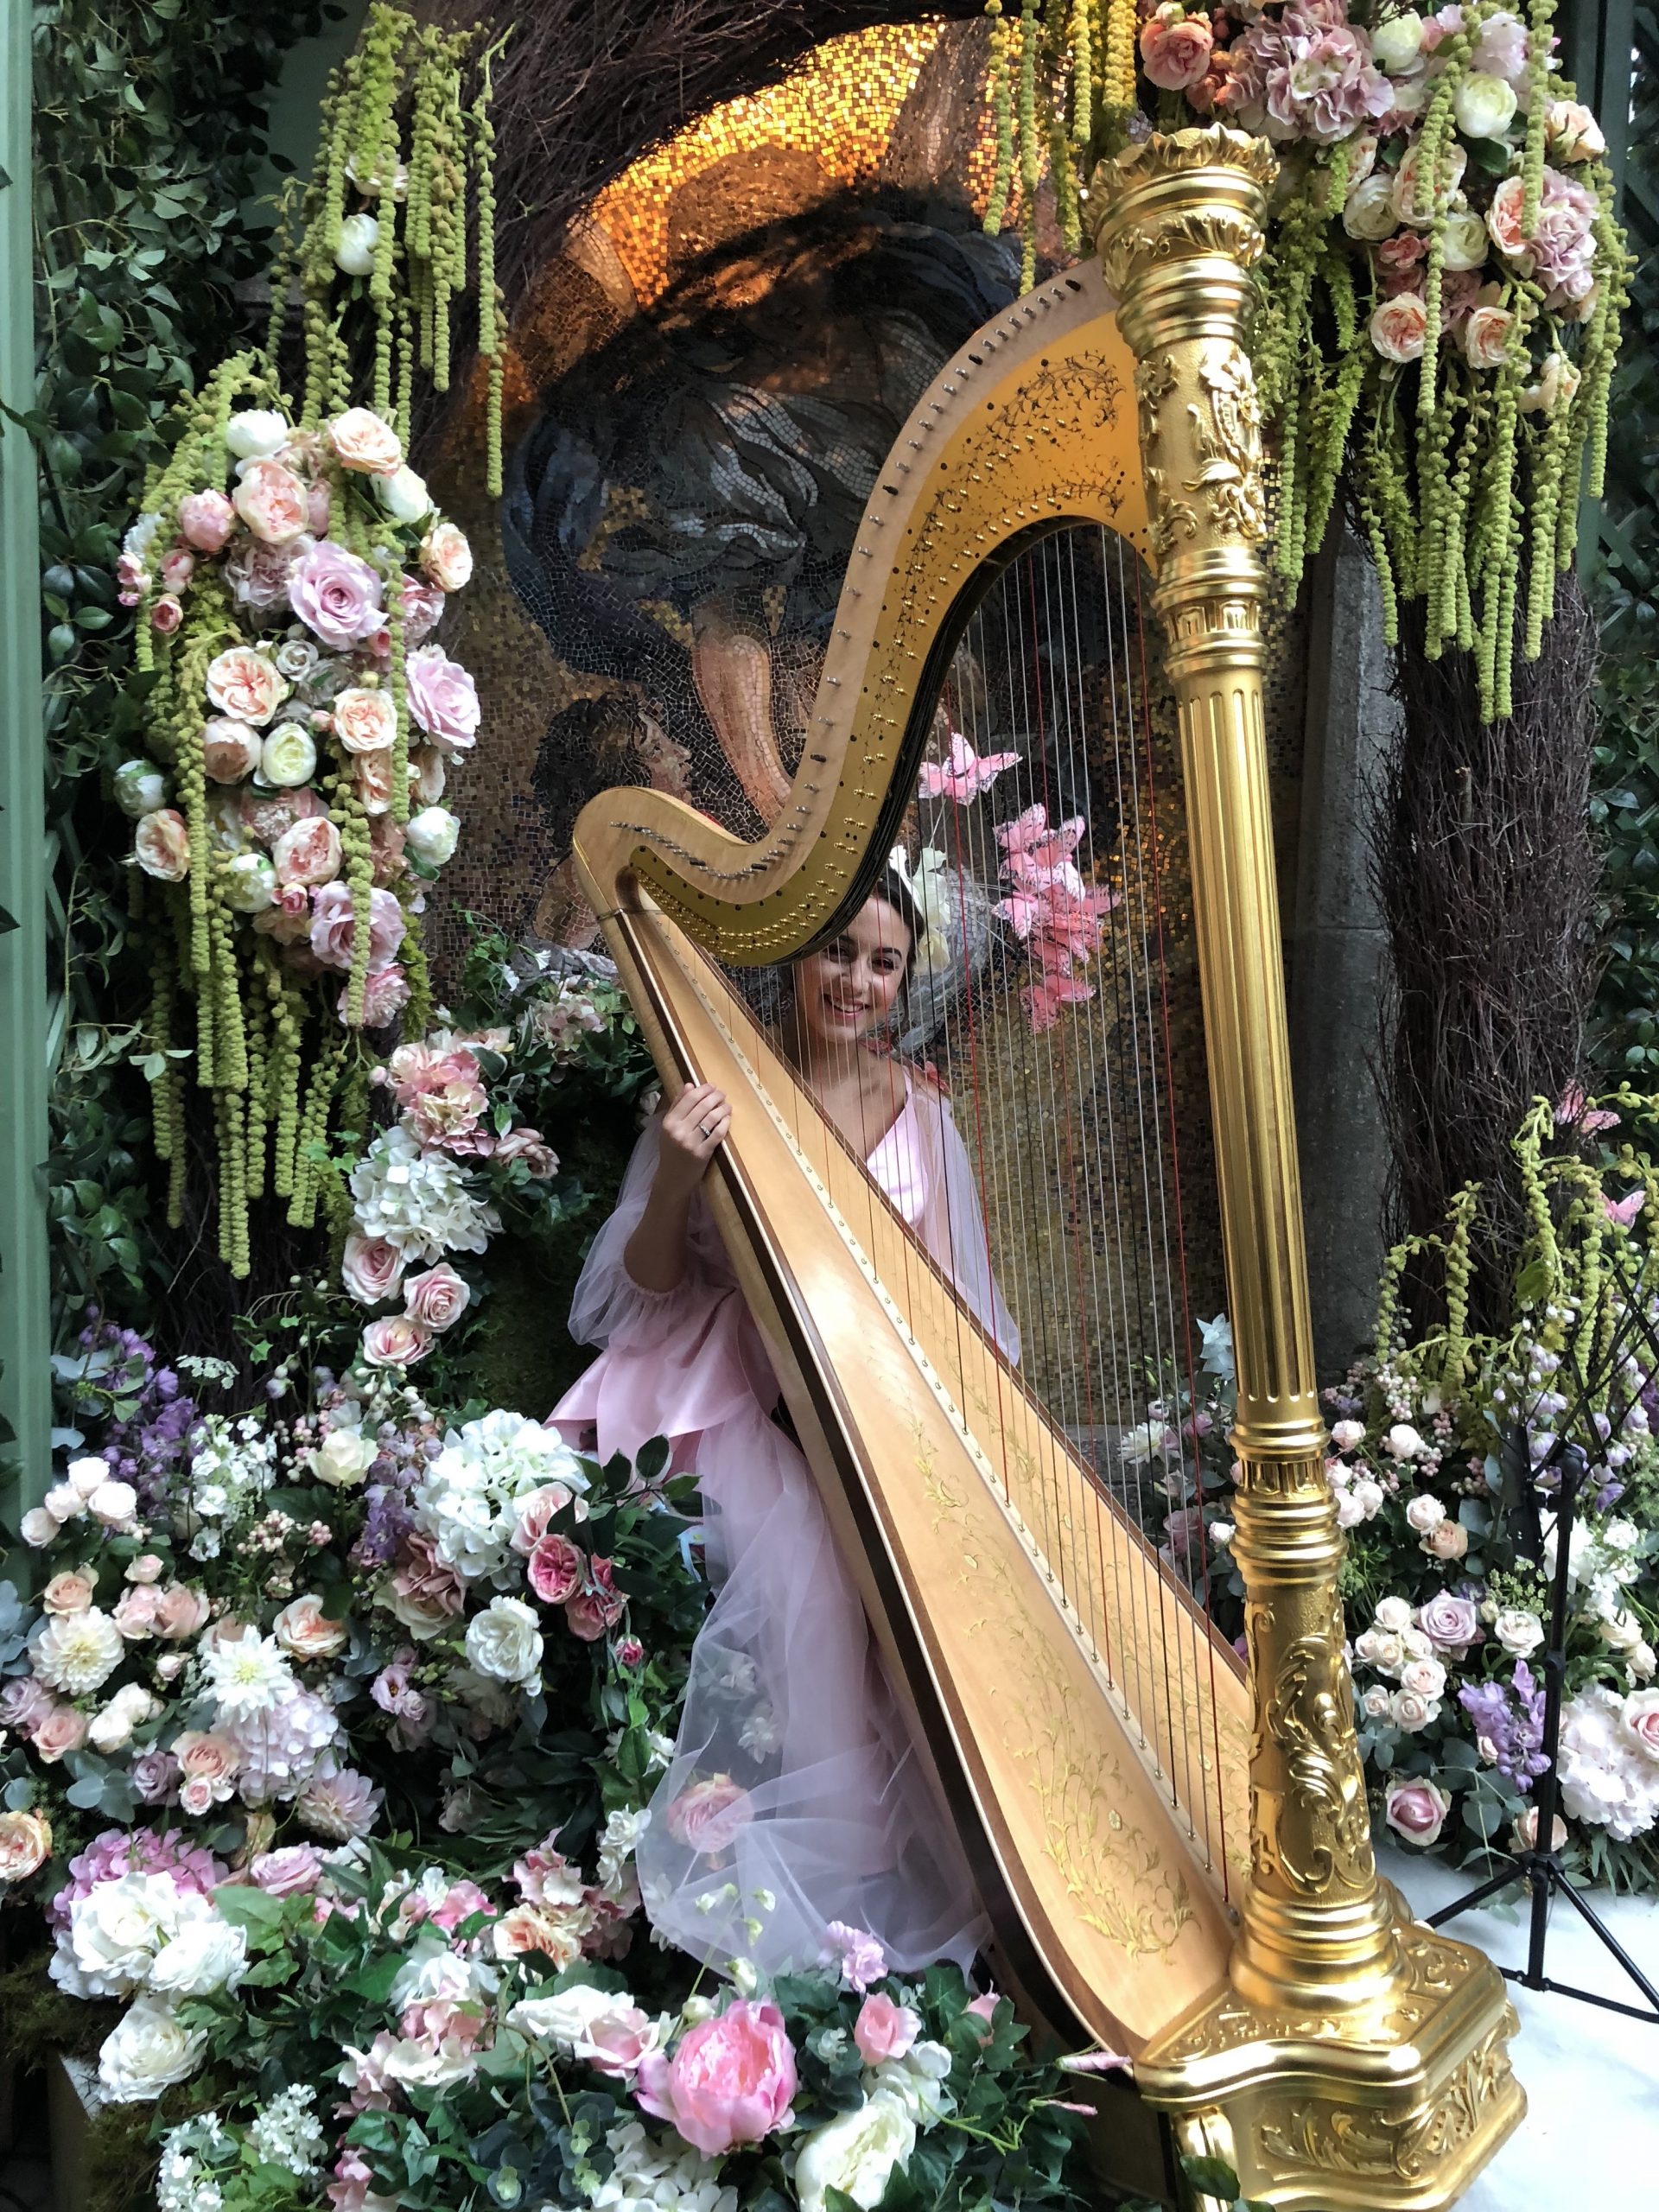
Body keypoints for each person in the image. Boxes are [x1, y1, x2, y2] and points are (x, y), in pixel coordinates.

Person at [550, 876, 1016, 1980]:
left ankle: (950, 1851)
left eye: (884, 961)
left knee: (935, 1563)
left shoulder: (925, 1115)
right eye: (839, 952)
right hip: (738, 1388)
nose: (856, 980)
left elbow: (955, 1313)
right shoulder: (721, 1089)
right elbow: (648, 1284)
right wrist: (676, 1166)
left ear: (908, 979)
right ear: (798, 960)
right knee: (810, 1558)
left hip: (877, 1407)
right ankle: (817, 1884)